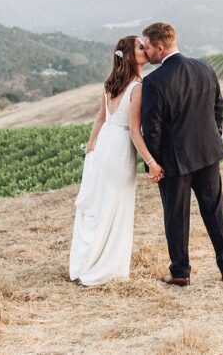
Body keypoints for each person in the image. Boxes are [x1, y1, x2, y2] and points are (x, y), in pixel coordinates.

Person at [140, 22, 223, 286]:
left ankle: (181, 272)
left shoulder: (154, 82)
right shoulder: (204, 67)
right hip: (208, 154)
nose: (146, 51)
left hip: (174, 162)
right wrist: (212, 139)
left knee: (176, 216)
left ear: (160, 48)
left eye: (148, 46)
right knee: (215, 210)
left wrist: (153, 163)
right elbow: (218, 107)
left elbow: (152, 128)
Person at [68, 35, 155, 286]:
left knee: (100, 206)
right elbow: (134, 131)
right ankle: (107, 267)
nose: (145, 50)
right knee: (116, 206)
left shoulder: (111, 84)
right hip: (119, 151)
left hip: (104, 146)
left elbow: (100, 119)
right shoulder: (138, 87)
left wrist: (92, 147)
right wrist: (150, 161)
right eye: (140, 47)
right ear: (130, 56)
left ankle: (87, 262)